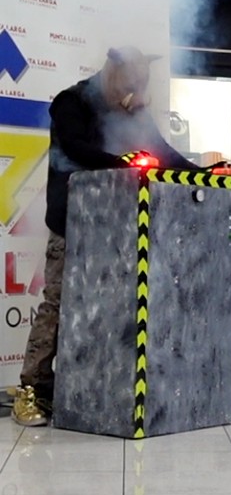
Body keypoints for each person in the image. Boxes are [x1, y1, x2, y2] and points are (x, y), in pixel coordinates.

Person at [11, 46, 201, 427]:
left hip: (117, 225)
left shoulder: (130, 110)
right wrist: (122, 163)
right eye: (130, 82)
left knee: (107, 306)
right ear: (113, 72)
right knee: (59, 302)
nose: (134, 92)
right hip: (73, 221)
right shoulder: (72, 102)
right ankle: (33, 389)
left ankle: (91, 386)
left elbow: (161, 151)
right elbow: (74, 148)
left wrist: (206, 174)